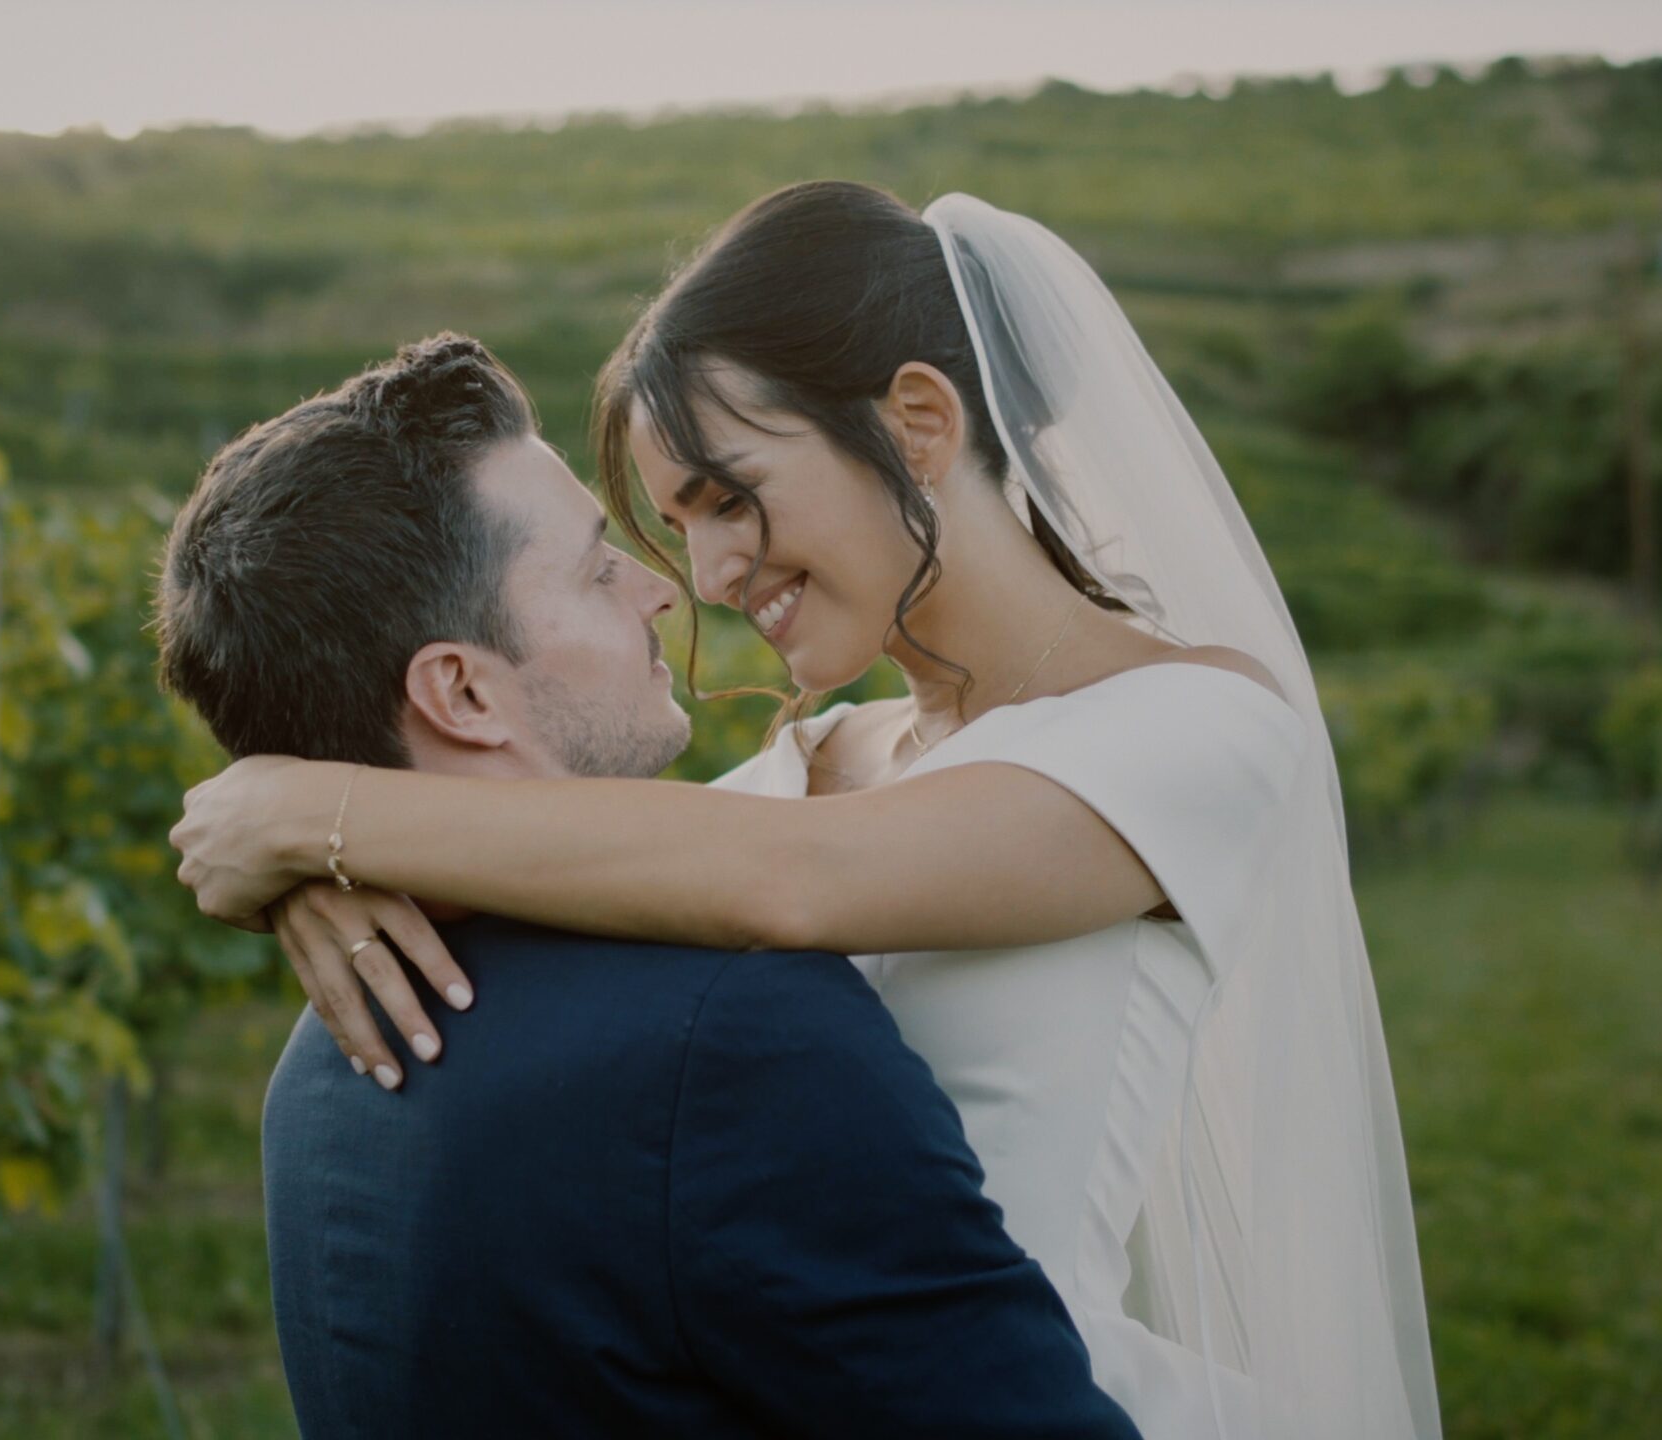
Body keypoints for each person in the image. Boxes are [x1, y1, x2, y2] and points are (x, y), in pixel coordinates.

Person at [168, 183, 1443, 1440]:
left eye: (729, 496)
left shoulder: (1191, 727)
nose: (709, 576)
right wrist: (317, 871)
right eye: (674, 526)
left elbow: (794, 888)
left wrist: (314, 812)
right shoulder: (803, 771)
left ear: (919, 421)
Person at [156, 334, 1142, 1439]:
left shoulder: (323, 1063)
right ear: (462, 695)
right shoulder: (736, 1040)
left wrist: (311, 830)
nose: (659, 592)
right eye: (594, 568)